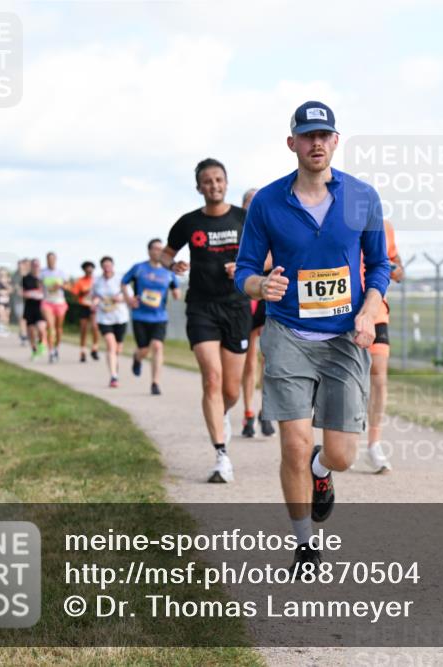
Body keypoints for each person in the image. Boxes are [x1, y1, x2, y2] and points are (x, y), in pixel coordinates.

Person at [235, 101, 389, 569]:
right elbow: (243, 270)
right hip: (287, 335)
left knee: (340, 456)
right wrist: (262, 284)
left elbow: (380, 265)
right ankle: (304, 542)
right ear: (293, 144)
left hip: (344, 338)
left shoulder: (362, 197)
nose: (316, 143)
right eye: (307, 135)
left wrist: (369, 308)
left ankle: (323, 471)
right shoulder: (267, 202)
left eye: (324, 135)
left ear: (336, 141)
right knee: (294, 444)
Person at [161, 158, 251, 483]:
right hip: (201, 307)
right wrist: (173, 266)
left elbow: (269, 255)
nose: (213, 185)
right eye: (207, 181)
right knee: (211, 379)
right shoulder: (189, 223)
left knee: (231, 390)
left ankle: (223, 413)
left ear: (227, 183)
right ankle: (221, 456)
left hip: (237, 308)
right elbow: (165, 252)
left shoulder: (245, 219)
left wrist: (244, 268)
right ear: (199, 187)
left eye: (218, 180)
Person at [352, 219, 404, 473]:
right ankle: (346, 440)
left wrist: (395, 270)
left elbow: (399, 270)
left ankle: (374, 444)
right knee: (348, 380)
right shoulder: (337, 222)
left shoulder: (385, 227)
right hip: (345, 312)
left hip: (376, 313)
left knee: (379, 378)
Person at [240, 187, 276, 438]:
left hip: (266, 293)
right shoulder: (237, 229)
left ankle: (265, 411)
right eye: (249, 202)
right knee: (249, 358)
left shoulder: (269, 224)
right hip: (244, 297)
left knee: (268, 358)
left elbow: (271, 259)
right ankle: (248, 413)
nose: (253, 206)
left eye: (256, 202)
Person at [122, 239, 181, 395]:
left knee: (157, 346)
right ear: (149, 251)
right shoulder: (139, 268)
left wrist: (176, 293)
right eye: (155, 249)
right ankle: (137, 357)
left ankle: (155, 383)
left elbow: (176, 289)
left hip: (159, 317)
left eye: (161, 249)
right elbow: (124, 282)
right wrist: (128, 299)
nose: (159, 252)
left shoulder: (168, 271)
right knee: (144, 350)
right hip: (140, 316)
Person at [92, 256, 130, 388]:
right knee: (110, 345)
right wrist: (95, 302)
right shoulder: (97, 281)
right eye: (104, 266)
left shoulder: (121, 280)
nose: (107, 268)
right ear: (101, 267)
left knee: (118, 349)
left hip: (120, 317)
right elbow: (94, 296)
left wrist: (120, 298)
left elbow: (129, 297)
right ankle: (113, 376)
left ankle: (114, 364)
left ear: (113, 266)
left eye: (109, 266)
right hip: (104, 318)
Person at [40, 252, 69, 363]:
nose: (50, 261)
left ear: (55, 260)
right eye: (48, 259)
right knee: (50, 327)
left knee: (58, 328)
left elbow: (68, 286)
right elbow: (38, 285)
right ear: (46, 260)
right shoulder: (43, 273)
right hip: (47, 302)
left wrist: (60, 285)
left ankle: (57, 348)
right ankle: (51, 351)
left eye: (52, 259)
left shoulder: (61, 273)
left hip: (60, 302)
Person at [71, 261, 101, 362]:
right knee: (84, 329)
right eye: (87, 268)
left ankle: (95, 348)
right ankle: (82, 351)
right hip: (84, 306)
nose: (89, 270)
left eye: (91, 268)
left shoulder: (97, 280)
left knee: (95, 327)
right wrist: (82, 293)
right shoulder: (80, 281)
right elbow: (75, 295)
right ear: (84, 270)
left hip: (94, 306)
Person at [21, 259, 48, 361]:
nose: (36, 267)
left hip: (41, 307)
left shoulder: (43, 278)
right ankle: (34, 350)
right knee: (31, 331)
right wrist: (28, 294)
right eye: (34, 265)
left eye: (38, 265)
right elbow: (22, 292)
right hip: (30, 307)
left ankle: (42, 345)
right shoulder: (26, 278)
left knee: (41, 328)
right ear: (31, 266)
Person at [0, 268, 13, 334]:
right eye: (1, 273)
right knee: (1, 314)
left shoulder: (9, 280)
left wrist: (5, 284)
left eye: (4, 273)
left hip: (7, 300)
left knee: (7, 317)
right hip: (0, 300)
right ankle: (1, 329)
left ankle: (5, 328)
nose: (3, 274)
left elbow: (11, 290)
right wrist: (0, 292)